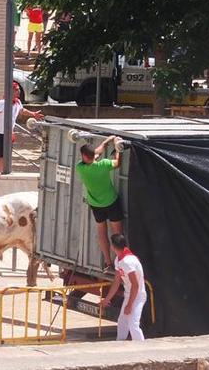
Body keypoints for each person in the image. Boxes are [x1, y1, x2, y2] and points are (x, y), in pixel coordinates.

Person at [75, 136, 123, 269]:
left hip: (96, 205)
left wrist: (105, 142)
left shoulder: (80, 167)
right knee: (117, 233)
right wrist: (118, 147)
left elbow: (95, 154)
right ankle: (121, 261)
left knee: (102, 232)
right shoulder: (104, 164)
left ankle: (108, 263)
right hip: (111, 202)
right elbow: (118, 163)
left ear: (84, 156)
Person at [0, 81, 44, 172]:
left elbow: (22, 110)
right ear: (11, 91)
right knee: (0, 158)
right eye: (16, 90)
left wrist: (33, 114)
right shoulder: (2, 103)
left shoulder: (18, 102)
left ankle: (5, 173)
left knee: (7, 156)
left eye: (19, 89)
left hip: (8, 134)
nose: (19, 91)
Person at [100, 233, 146, 341]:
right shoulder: (119, 260)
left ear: (113, 246)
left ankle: (143, 349)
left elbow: (136, 285)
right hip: (129, 294)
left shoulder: (128, 261)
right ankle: (119, 345)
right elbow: (116, 282)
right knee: (122, 322)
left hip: (138, 295)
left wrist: (129, 304)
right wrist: (106, 300)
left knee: (133, 325)